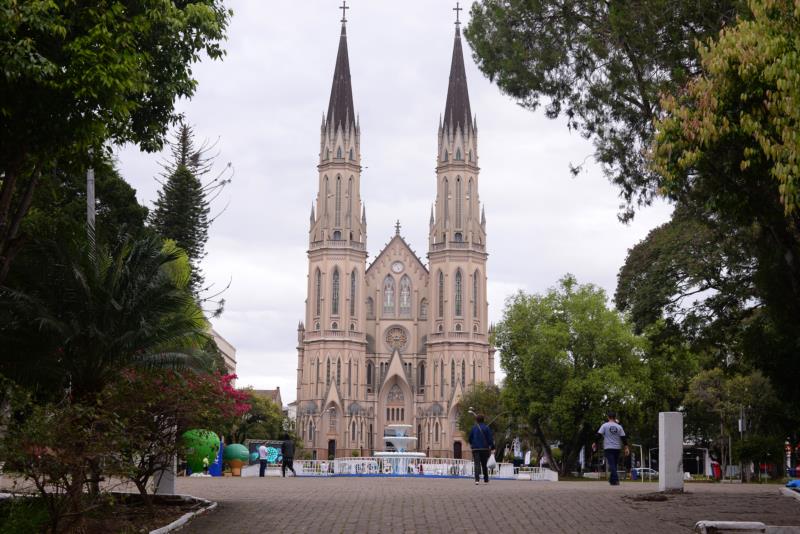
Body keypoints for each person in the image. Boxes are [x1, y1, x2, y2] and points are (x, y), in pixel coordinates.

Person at [595, 411, 629, 486]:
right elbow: (623, 438)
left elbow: (598, 435)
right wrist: (626, 448)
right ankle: (612, 481)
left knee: (612, 464)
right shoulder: (619, 427)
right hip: (617, 448)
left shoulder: (604, 425)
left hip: (608, 447)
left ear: (608, 417)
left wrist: (595, 443)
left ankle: (616, 480)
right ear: (615, 417)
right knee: (614, 464)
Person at [468, 414, 495, 485]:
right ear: (483, 420)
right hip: (484, 449)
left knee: (476, 464)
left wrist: (472, 444)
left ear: (476, 420)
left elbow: (470, 438)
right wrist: (492, 447)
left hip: (475, 449)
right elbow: (490, 439)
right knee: (484, 464)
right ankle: (486, 480)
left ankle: (477, 480)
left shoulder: (473, 428)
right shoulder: (486, 428)